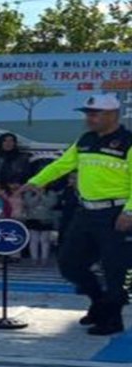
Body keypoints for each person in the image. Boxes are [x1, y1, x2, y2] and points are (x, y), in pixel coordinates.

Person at [24, 94, 132, 335]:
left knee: (116, 270)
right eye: (87, 113)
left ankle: (112, 319)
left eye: (95, 114)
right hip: (85, 213)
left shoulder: (128, 142)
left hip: (117, 214)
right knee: (69, 265)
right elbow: (63, 164)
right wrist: (35, 181)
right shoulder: (85, 140)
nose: (89, 118)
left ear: (112, 115)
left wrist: (129, 212)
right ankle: (99, 301)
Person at [20, 179, 60, 266]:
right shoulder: (28, 193)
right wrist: (37, 195)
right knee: (33, 240)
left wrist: (42, 195)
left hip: (46, 219)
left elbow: (50, 204)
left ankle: (44, 259)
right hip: (32, 218)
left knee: (44, 240)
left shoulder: (51, 193)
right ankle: (34, 259)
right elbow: (29, 204)